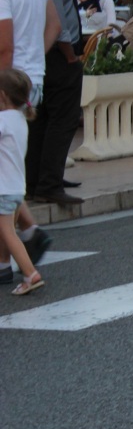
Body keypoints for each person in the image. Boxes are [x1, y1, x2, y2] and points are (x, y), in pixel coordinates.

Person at [0, 0, 58, 280]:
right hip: (30, 80)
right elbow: (55, 24)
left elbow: (4, 47)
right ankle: (27, 235)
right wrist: (34, 59)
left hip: (8, 85)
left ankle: (17, 250)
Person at [25, 0, 83, 206]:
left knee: (42, 119)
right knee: (62, 119)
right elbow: (57, 19)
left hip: (38, 52)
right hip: (57, 55)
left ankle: (37, 180)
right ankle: (48, 182)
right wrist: (70, 54)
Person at [0, 69, 43, 294]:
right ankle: (2, 266)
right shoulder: (20, 119)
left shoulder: (3, 120)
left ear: (2, 95)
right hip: (17, 188)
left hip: (3, 189)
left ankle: (30, 273)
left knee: (7, 232)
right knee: (4, 230)